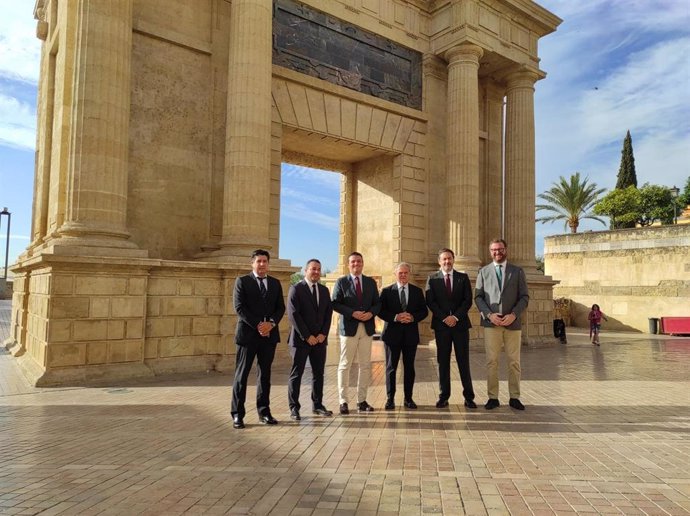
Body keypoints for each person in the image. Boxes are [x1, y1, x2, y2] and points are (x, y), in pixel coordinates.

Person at [231, 249, 285, 429]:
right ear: (252, 263)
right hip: (248, 336)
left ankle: (264, 412)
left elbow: (280, 308)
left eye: (265, 261)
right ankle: (238, 414)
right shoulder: (242, 281)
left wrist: (270, 324)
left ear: (268, 264)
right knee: (242, 375)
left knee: (265, 376)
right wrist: (258, 325)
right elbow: (239, 308)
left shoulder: (276, 283)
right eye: (259, 261)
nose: (262, 264)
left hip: (268, 337)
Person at [474, 238, 529, 411]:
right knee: (492, 361)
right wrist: (489, 315)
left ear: (506, 250)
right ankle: (493, 397)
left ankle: (514, 397)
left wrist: (514, 314)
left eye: (500, 249)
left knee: (514, 362)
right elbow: (478, 297)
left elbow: (524, 297)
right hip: (492, 324)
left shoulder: (517, 271)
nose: (497, 252)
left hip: (512, 323)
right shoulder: (483, 272)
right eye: (494, 250)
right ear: (490, 251)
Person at [425, 248, 477, 409]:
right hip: (442, 327)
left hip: (460, 325)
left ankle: (469, 397)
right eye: (444, 259)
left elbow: (467, 300)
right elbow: (430, 301)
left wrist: (455, 317)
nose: (447, 262)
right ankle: (443, 396)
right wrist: (444, 318)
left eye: (449, 259)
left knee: (463, 361)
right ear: (439, 261)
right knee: (443, 362)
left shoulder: (463, 278)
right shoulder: (432, 279)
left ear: (453, 260)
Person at [332, 252, 381, 414]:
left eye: (359, 261)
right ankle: (343, 401)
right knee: (345, 365)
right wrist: (352, 313)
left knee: (365, 365)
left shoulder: (370, 282)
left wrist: (371, 313)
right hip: (349, 329)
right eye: (353, 262)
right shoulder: (341, 282)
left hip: (366, 328)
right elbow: (335, 303)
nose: (356, 264)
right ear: (348, 264)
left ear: (363, 263)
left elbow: (377, 303)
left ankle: (362, 400)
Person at [286, 259, 334, 420]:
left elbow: (328, 314)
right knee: (296, 374)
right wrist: (307, 336)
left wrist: (323, 334)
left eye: (318, 269)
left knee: (318, 373)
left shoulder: (324, 290)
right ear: (306, 270)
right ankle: (294, 408)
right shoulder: (296, 289)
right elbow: (294, 315)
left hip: (320, 341)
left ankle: (318, 405)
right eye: (313, 269)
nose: (316, 272)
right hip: (301, 341)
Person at [378, 262, 429, 410]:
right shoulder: (387, 291)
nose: (403, 275)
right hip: (391, 336)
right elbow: (381, 311)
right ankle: (390, 399)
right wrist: (396, 317)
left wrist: (412, 317)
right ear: (395, 274)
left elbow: (424, 311)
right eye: (400, 273)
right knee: (391, 368)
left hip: (410, 336)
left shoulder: (417, 291)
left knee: (409, 368)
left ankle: (408, 398)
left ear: (409, 274)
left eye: (406, 273)